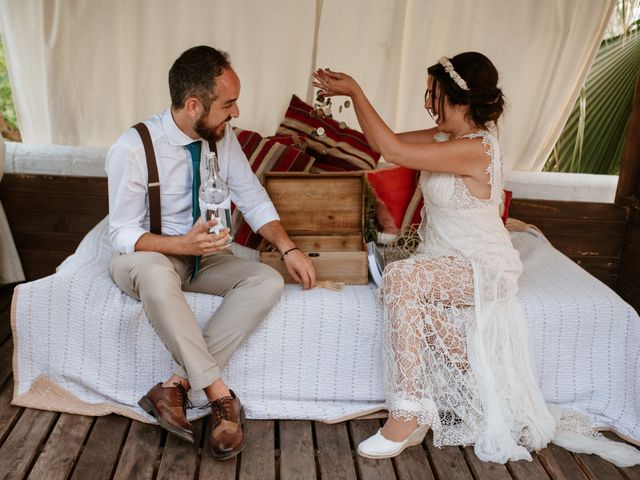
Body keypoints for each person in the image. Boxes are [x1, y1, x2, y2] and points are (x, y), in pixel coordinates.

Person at [313, 52, 640, 465]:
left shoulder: (477, 149)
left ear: (461, 100)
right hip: (443, 260)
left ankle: (406, 414)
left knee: (402, 280)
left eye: (435, 96)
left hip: (482, 267)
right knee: (403, 284)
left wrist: (356, 91)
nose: (429, 104)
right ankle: (460, 390)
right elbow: (386, 141)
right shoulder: (441, 140)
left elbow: (391, 149)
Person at [106, 45, 315, 461]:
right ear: (193, 104)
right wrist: (180, 245)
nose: (236, 113)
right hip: (148, 257)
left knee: (266, 280)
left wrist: (287, 247)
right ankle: (220, 395)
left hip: (203, 256)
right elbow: (122, 233)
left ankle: (176, 387)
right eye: (229, 104)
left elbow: (251, 197)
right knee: (156, 273)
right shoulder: (132, 148)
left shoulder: (221, 137)